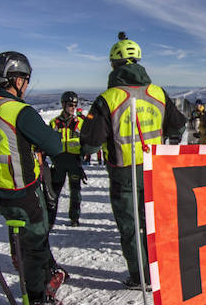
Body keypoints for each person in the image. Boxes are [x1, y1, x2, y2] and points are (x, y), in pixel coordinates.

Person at [79, 32, 186, 289]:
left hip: (124, 174)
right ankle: (160, 271)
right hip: (154, 169)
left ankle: (141, 277)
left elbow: (90, 143)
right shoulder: (158, 93)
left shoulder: (108, 99)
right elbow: (178, 126)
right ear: (138, 62)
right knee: (153, 222)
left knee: (131, 227)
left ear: (114, 66)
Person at [0, 51, 68, 305]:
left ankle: (40, 272)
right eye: (26, 79)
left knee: (23, 238)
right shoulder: (19, 111)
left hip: (2, 189)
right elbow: (53, 144)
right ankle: (38, 297)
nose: (27, 85)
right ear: (16, 79)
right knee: (36, 242)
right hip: (24, 190)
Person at [47, 91, 85, 229]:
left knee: (75, 192)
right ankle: (50, 220)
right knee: (53, 193)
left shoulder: (80, 123)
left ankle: (74, 217)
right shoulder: (54, 123)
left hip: (74, 161)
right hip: (59, 162)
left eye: (75, 105)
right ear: (63, 105)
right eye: (70, 105)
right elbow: (47, 142)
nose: (72, 108)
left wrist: (84, 154)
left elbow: (87, 141)